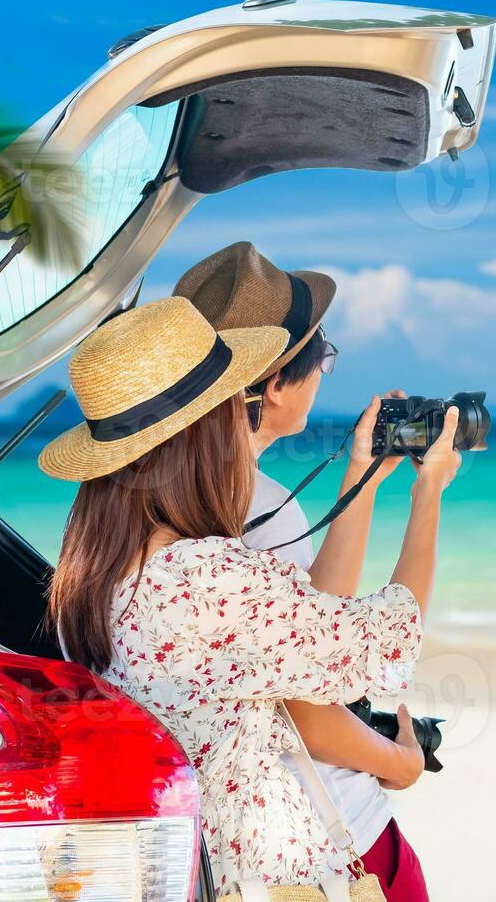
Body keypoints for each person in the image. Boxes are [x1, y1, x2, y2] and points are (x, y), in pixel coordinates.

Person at [40, 296, 461, 900]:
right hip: (260, 875)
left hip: (191, 863)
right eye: (226, 409)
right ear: (202, 434)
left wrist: (362, 472)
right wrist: (429, 495)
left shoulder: (90, 569)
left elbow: (297, 636)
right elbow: (389, 635)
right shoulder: (206, 577)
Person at [172, 241, 433, 900]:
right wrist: (398, 764)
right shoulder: (259, 509)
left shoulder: (153, 507)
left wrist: (361, 476)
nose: (324, 372)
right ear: (270, 384)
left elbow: (310, 628)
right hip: (321, 840)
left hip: (219, 849)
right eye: (321, 357)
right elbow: (311, 715)